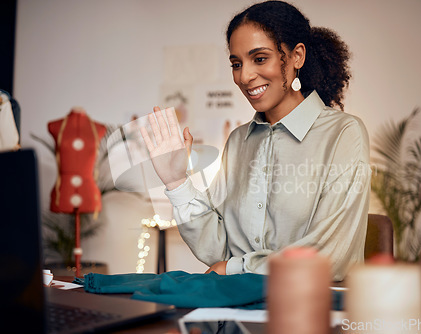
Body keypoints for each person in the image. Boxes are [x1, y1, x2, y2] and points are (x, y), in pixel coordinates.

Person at [141, 0, 370, 281]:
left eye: (259, 58)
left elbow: (330, 256)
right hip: (234, 316)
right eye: (236, 64)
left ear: (297, 56)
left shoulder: (344, 134)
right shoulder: (238, 141)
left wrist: (241, 267)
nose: (245, 76)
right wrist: (176, 182)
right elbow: (217, 249)